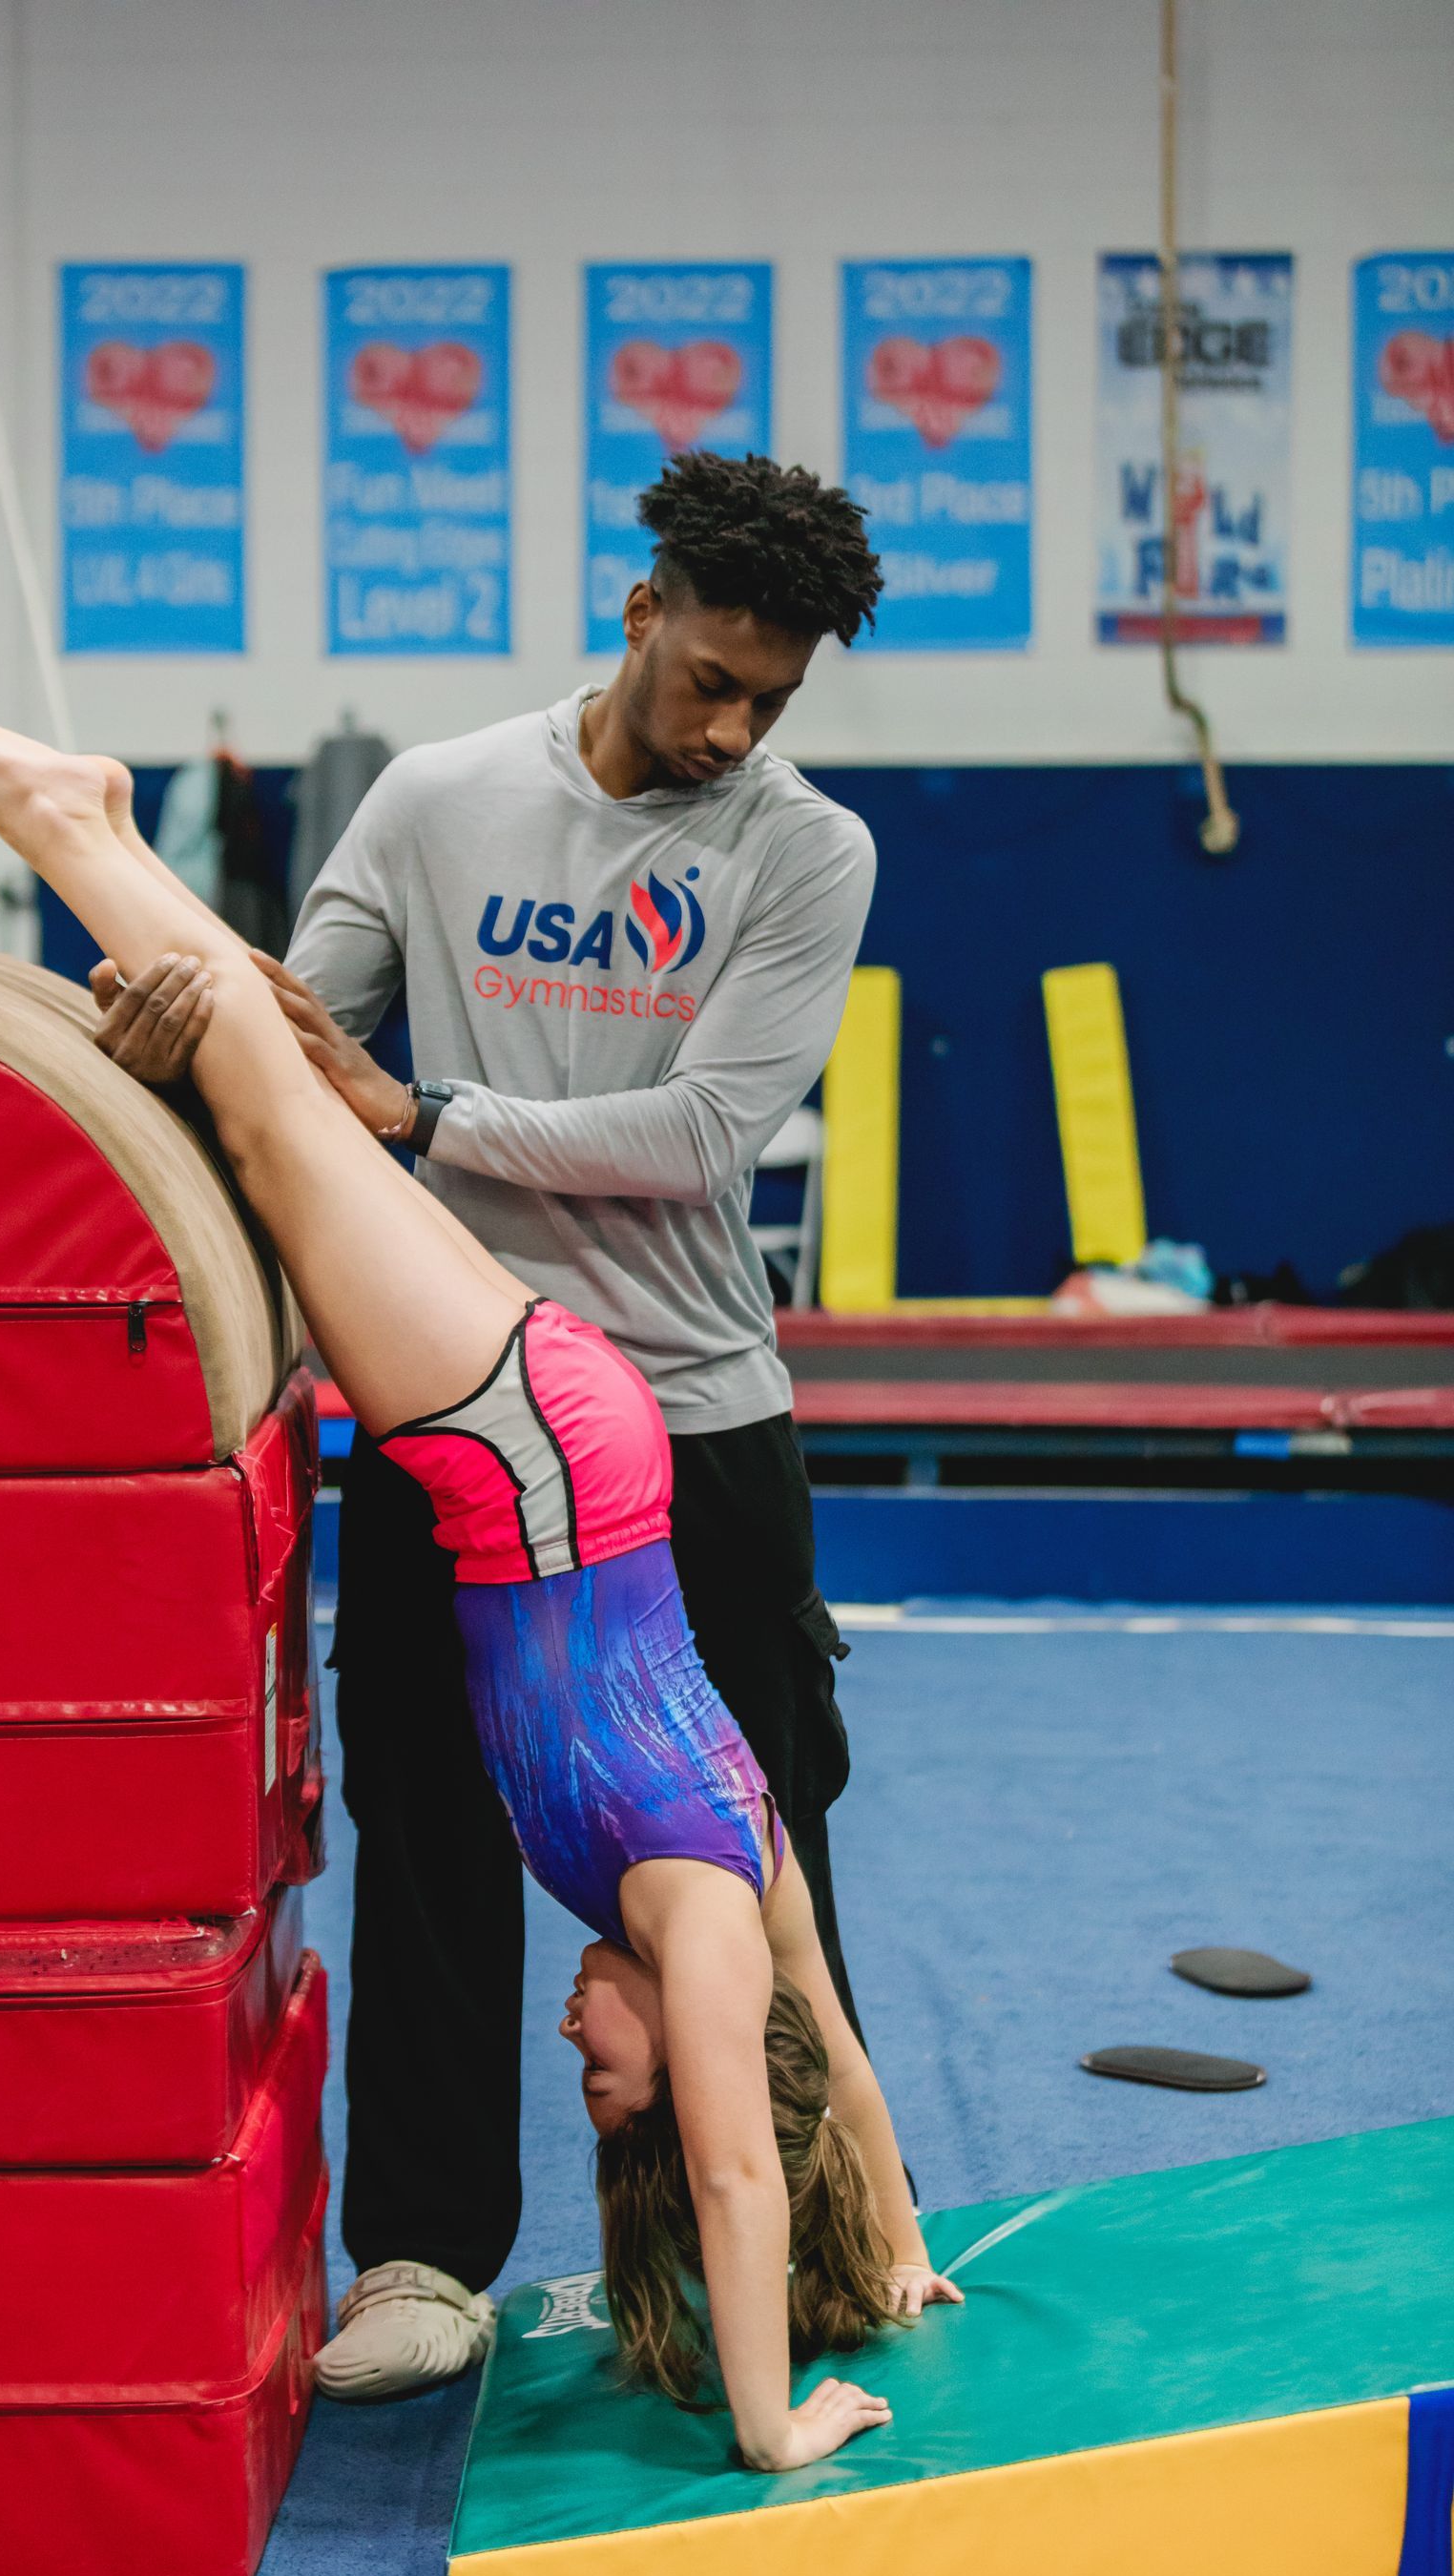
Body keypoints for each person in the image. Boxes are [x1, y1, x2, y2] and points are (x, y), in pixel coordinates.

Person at [0, 711, 958, 2474]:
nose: (577, 2035)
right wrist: (769, 2428)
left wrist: (900, 2251)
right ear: (690, 2052)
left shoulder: (743, 1904)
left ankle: (88, 832)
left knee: (277, 1108)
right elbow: (745, 2159)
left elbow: (828, 2071)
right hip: (524, 1450)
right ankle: (77, 825)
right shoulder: (695, 1914)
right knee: (274, 1101)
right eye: (611, 2068)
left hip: (575, 1444)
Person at [106, 452, 885, 2399]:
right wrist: (169, 1044)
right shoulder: (444, 797)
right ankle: (426, 2259)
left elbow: (706, 1137)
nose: (731, 725)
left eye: (771, 700)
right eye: (711, 676)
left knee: (759, 1840)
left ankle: (830, 2235)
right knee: (431, 1813)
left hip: (692, 1415)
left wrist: (426, 1116)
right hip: (459, 1408)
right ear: (638, 615)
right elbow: (301, 1044)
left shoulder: (805, 849)